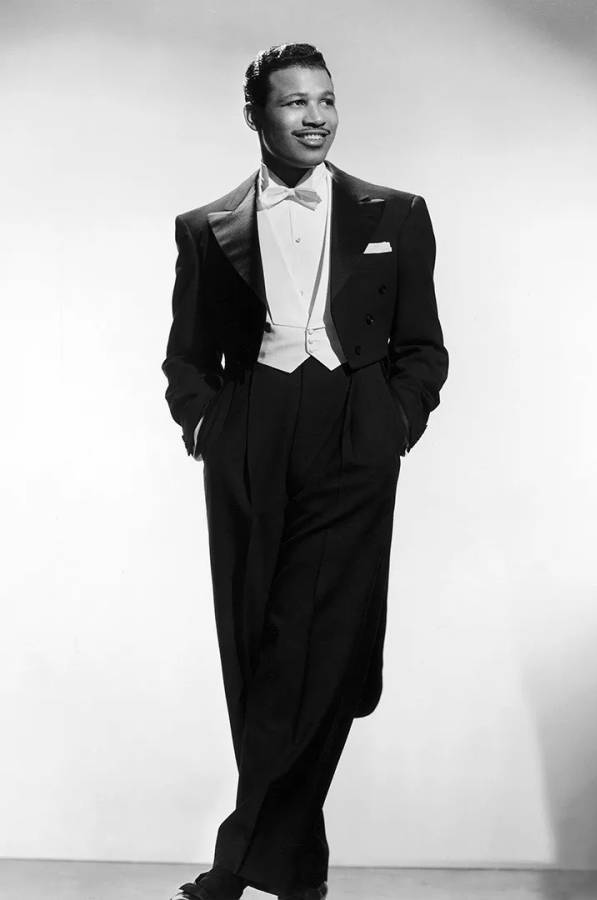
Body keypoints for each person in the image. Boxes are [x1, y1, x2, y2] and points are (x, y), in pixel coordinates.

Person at [161, 42, 448, 900]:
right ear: (256, 114)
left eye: (325, 99)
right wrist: (206, 423)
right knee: (257, 643)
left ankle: (235, 861)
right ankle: (295, 870)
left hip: (352, 426)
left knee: (312, 644)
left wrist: (393, 421)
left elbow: (423, 345)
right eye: (294, 102)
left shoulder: (397, 214)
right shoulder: (205, 227)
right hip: (250, 428)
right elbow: (186, 355)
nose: (315, 116)